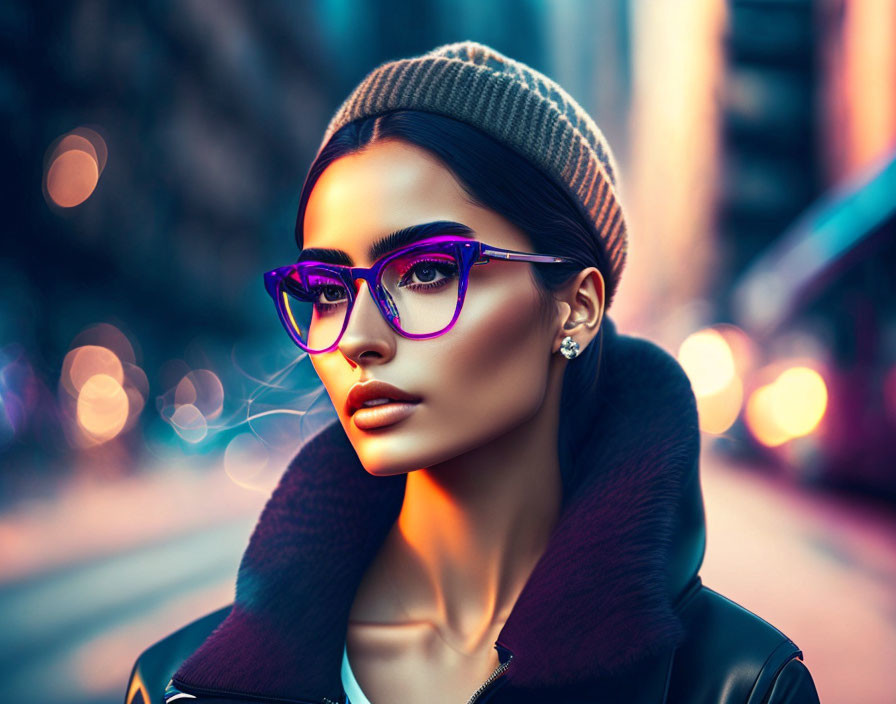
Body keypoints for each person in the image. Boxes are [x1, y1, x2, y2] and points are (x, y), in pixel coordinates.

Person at [124, 41, 821, 704]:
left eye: (426, 272)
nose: (357, 339)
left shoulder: (739, 684)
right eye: (330, 291)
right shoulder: (176, 687)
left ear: (575, 310)